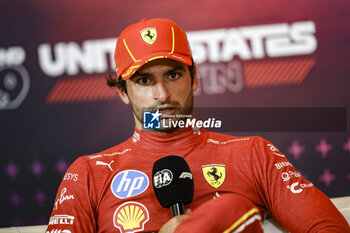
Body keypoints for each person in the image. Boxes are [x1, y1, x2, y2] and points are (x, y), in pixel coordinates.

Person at [46, 18, 349, 233]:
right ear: (123, 92)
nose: (162, 94)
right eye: (144, 80)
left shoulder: (253, 153)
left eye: (174, 75)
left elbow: (328, 228)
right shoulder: (89, 172)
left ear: (195, 79)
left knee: (229, 210)